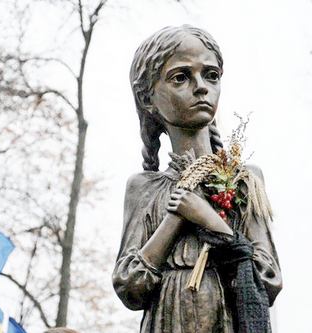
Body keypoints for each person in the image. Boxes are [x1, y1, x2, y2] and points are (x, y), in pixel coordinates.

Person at [112, 25, 282, 333]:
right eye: (181, 77)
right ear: (147, 97)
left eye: (211, 75)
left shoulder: (245, 180)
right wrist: (174, 219)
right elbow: (130, 286)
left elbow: (268, 280)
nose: (201, 87)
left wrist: (209, 221)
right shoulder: (143, 187)